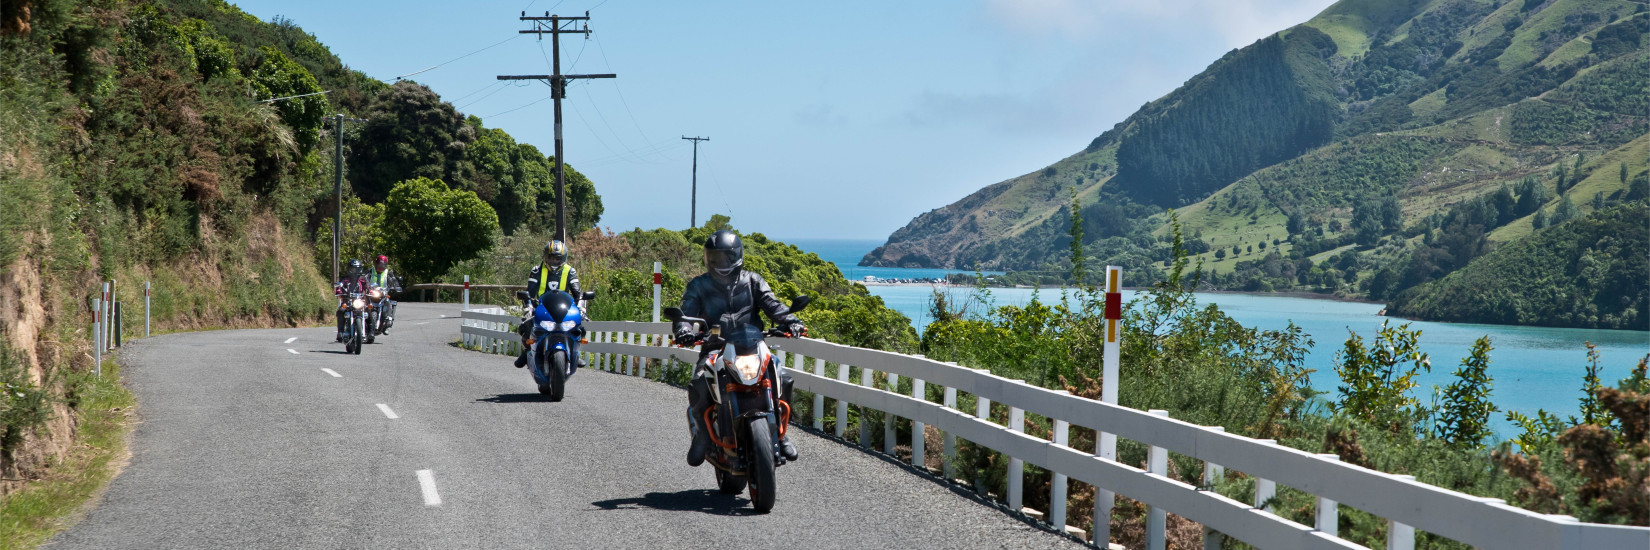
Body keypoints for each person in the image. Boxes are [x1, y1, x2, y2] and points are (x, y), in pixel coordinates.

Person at [673, 230, 806, 467]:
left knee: (783, 378)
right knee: (699, 384)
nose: (721, 263)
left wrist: (792, 321)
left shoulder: (753, 281)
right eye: (715, 258)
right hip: (715, 348)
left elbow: (772, 304)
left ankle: (782, 434)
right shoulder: (699, 285)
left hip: (753, 346)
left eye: (726, 257)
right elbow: (686, 311)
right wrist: (683, 329)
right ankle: (702, 436)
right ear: (707, 258)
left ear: (737, 256)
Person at [515, 241, 584, 368]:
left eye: (558, 258)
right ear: (545, 256)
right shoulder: (537, 270)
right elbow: (529, 292)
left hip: (564, 309)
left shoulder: (570, 271)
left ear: (563, 258)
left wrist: (581, 307)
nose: (554, 261)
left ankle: (574, 353)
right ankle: (527, 351)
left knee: (579, 327)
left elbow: (577, 293)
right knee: (525, 327)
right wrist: (528, 307)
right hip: (541, 308)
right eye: (551, 257)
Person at [334, 259, 369, 342]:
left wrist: (370, 291)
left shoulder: (362, 279)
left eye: (357, 269)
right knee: (341, 310)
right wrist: (339, 291)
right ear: (349, 269)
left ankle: (371, 332)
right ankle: (340, 332)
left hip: (358, 301)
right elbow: (340, 286)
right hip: (347, 301)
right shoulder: (345, 279)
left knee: (369, 310)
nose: (355, 272)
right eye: (353, 269)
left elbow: (368, 287)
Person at [368, 255, 401, 333]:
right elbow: (362, 278)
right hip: (372, 293)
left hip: (384, 293)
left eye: (383, 265)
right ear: (375, 264)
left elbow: (394, 280)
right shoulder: (370, 271)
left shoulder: (388, 272)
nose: (380, 266)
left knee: (388, 302)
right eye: (379, 264)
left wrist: (397, 287)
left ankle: (388, 320)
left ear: (385, 265)